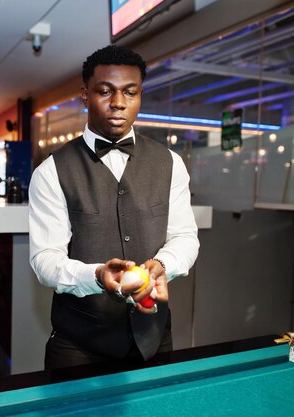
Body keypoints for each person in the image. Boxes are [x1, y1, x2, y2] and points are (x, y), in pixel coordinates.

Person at [29, 45, 199, 369]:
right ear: (84, 95)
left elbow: (185, 237)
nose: (118, 103)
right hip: (78, 346)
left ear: (140, 96)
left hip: (154, 338)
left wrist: (161, 265)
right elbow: (45, 260)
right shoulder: (51, 171)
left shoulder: (171, 163)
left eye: (130, 92)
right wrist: (96, 276)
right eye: (105, 91)